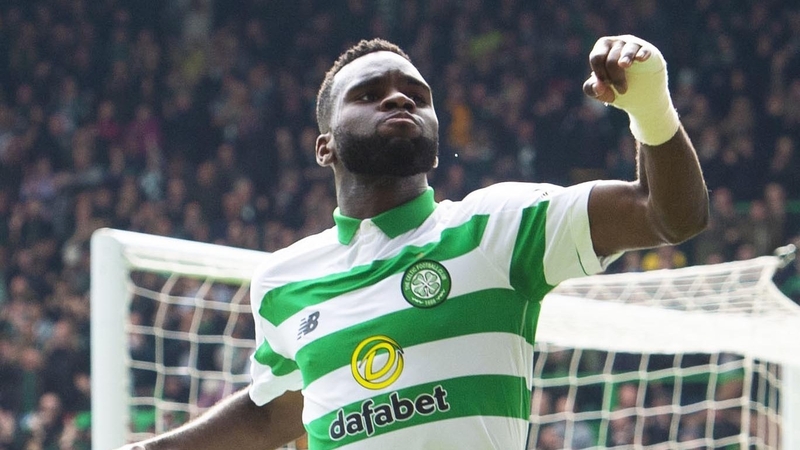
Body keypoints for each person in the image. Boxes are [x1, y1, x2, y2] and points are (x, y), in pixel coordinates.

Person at [120, 34, 708, 450]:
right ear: (325, 146)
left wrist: (650, 109)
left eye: (417, 95)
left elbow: (669, 216)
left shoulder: (497, 228)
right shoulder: (282, 281)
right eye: (368, 93)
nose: (400, 99)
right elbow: (273, 410)